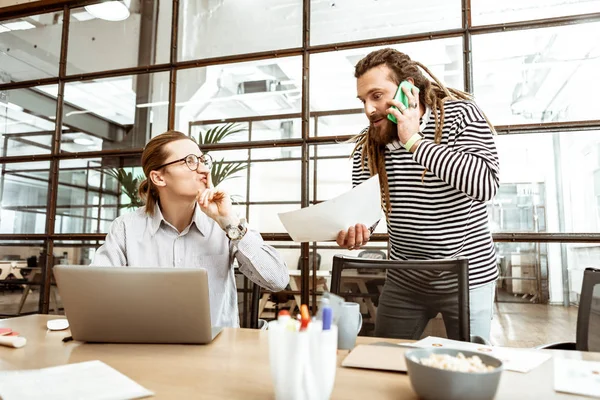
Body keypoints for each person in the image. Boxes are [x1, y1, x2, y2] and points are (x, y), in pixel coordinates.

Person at [336, 48, 500, 341]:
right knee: (384, 361)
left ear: (408, 88)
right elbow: (367, 210)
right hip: (405, 278)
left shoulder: (460, 115)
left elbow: (485, 184)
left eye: (376, 96)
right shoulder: (372, 142)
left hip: (467, 277)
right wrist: (358, 230)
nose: (369, 110)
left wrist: (413, 141)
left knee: (466, 368)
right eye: (363, 100)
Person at [92, 130, 289, 327]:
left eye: (203, 160)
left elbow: (278, 280)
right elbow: (95, 292)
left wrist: (228, 222)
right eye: (190, 161)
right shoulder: (126, 228)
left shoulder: (225, 224)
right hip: (149, 346)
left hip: (216, 351)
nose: (204, 169)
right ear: (159, 178)